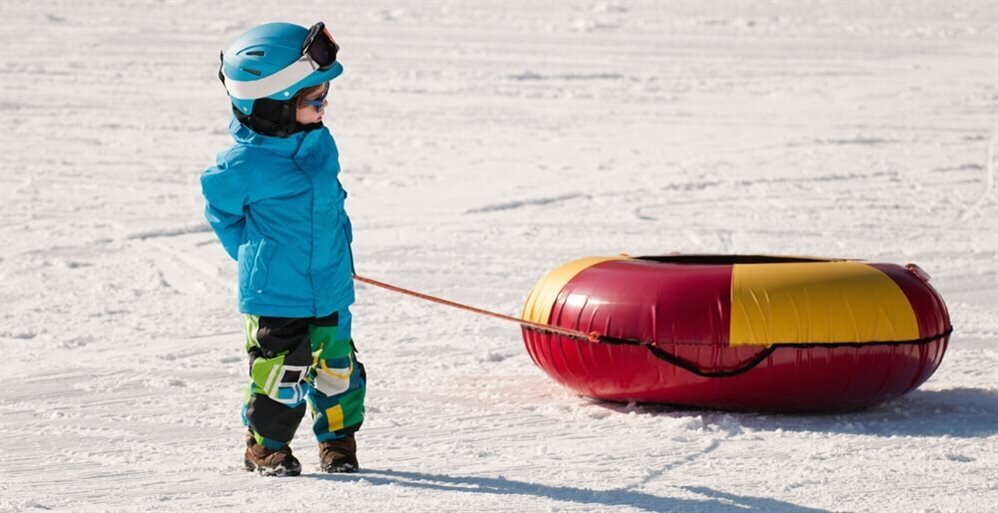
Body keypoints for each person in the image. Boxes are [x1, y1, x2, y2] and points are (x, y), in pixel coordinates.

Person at [201, 21, 365, 477]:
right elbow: (222, 212)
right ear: (273, 107)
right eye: (314, 100)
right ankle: (266, 447)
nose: (324, 105)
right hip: (276, 292)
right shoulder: (243, 165)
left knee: (338, 370)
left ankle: (337, 443)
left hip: (330, 283)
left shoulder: (319, 143)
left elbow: (332, 205)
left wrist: (338, 254)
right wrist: (260, 255)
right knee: (281, 376)